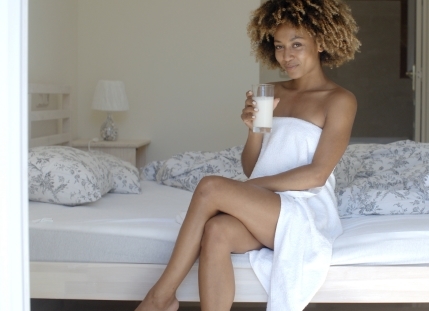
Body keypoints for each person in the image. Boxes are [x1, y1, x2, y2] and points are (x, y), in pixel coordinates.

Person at [136, 0, 360, 310]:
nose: (287, 55)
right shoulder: (271, 92)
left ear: (320, 42)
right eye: (279, 46)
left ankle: (160, 298)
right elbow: (252, 167)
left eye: (297, 44)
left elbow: (317, 174)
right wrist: (253, 130)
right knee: (215, 231)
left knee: (211, 187)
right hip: (267, 205)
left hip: (305, 210)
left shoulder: (339, 100)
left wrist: (247, 189)